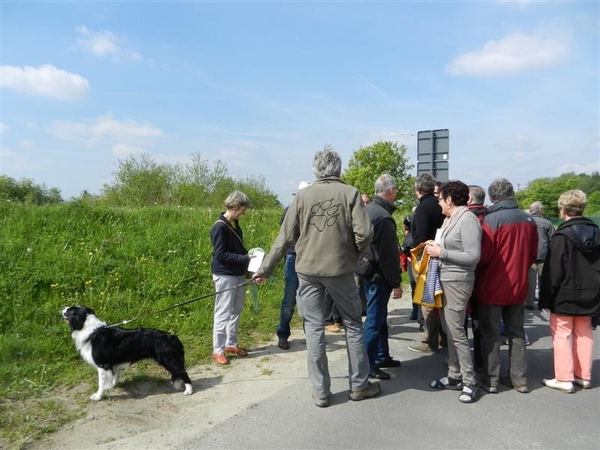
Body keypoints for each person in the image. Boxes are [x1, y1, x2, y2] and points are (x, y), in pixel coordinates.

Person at [253, 146, 380, 407]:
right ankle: (359, 386)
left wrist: (264, 269)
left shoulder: (301, 196)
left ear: (315, 170)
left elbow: (284, 238)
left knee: (313, 329)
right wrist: (353, 254)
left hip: (308, 271)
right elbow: (365, 233)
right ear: (339, 169)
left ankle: (321, 392)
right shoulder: (350, 193)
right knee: (353, 325)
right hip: (340, 270)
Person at [475, 178, 538, 394]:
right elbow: (533, 254)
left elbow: (483, 256)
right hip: (518, 284)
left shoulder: (491, 220)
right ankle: (519, 379)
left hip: (492, 284)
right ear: (512, 193)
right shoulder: (529, 220)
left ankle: (490, 379)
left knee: (490, 333)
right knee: (517, 332)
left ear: (492, 197)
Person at [426, 181, 482, 403]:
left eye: (440, 198)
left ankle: (470, 381)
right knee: (450, 329)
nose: (438, 202)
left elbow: (473, 256)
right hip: (448, 279)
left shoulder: (468, 219)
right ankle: (454, 374)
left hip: (458, 281)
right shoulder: (451, 218)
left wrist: (442, 252)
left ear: (449, 199)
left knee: (457, 331)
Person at [539, 189, 600, 393]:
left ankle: (564, 378)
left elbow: (553, 272)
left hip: (564, 294)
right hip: (592, 293)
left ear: (563, 210)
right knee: (584, 334)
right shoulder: (597, 233)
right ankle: (584, 376)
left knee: (562, 334)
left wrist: (546, 299)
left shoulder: (562, 236)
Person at [362, 174, 403, 380]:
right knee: (374, 320)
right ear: (390, 191)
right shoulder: (384, 218)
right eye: (395, 189)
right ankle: (368, 364)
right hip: (379, 276)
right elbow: (389, 255)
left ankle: (381, 356)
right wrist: (396, 283)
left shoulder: (367, 210)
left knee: (379, 318)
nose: (396, 192)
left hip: (367, 271)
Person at [209, 191, 253, 365]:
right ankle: (217, 350)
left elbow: (239, 249)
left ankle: (231, 344)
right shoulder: (219, 227)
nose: (244, 212)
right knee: (223, 312)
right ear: (235, 206)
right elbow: (220, 255)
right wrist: (245, 259)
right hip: (225, 275)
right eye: (243, 209)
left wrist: (248, 264)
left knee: (236, 310)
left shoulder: (234, 224)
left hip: (238, 274)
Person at [408, 173, 445, 354]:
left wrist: (414, 254)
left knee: (427, 301)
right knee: (441, 301)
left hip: (427, 258)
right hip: (442, 256)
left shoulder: (422, 209)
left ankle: (429, 341)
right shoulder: (441, 205)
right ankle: (443, 338)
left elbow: (420, 237)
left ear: (418, 190)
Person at [276, 181, 311, 350]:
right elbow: (283, 233)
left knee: (310, 297)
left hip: (310, 257)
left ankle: (311, 333)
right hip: (292, 257)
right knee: (289, 298)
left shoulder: (315, 211)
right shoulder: (289, 211)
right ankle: (283, 334)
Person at [526, 201, 554, 310]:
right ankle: (543, 304)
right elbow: (553, 239)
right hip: (544, 256)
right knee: (544, 282)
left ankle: (529, 303)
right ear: (540, 210)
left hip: (530, 256)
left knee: (530, 282)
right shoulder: (547, 223)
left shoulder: (526, 221)